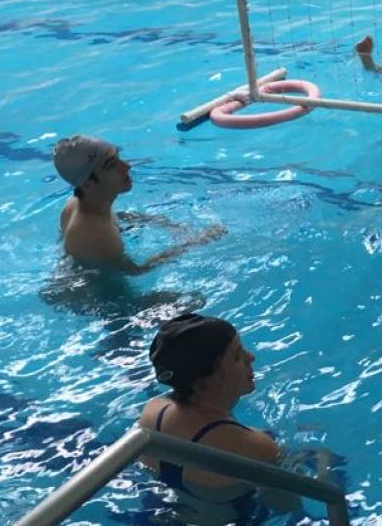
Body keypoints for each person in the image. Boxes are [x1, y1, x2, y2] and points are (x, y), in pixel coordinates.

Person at [138, 313, 302, 525]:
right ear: (203, 383)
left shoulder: (153, 410)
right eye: (236, 356)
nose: (251, 357)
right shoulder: (256, 447)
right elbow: (286, 506)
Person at [53, 135, 224, 273]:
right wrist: (196, 242)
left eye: (118, 157)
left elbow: (113, 218)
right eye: (111, 165)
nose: (126, 166)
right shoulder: (98, 236)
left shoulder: (78, 202)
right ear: (88, 184)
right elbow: (136, 271)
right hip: (103, 300)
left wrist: (156, 221)